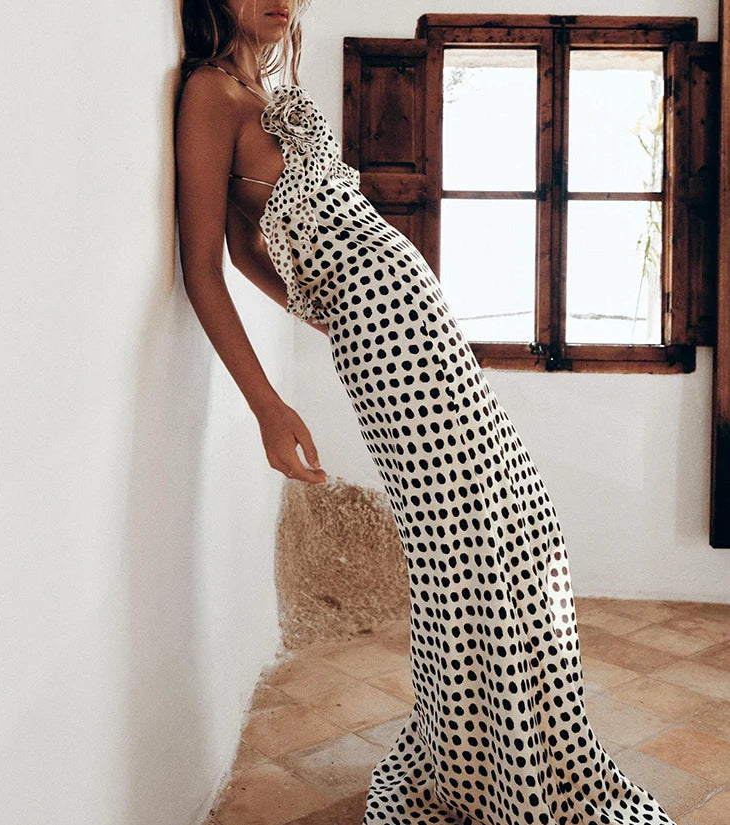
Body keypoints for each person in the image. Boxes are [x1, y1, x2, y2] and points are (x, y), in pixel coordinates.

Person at [175, 3, 677, 824]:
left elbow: (255, 249)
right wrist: (269, 402)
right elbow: (213, 261)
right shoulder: (211, 94)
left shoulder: (266, 91)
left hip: (413, 328)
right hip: (389, 351)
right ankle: (492, 768)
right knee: (466, 548)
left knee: (517, 528)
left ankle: (494, 749)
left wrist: (331, 310)